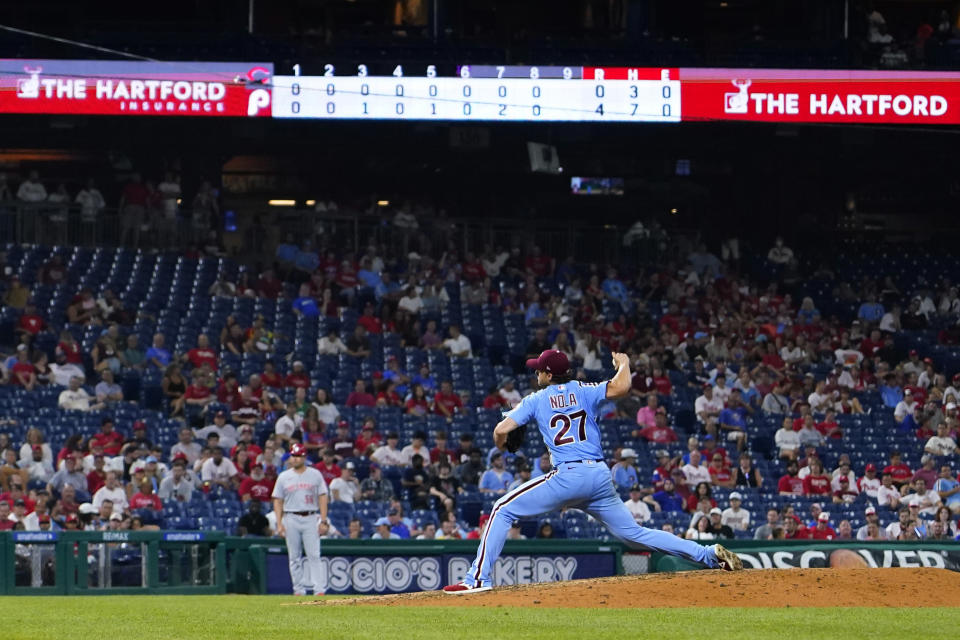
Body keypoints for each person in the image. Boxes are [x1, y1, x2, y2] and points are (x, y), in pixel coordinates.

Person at [442, 350, 741, 594]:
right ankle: (708, 555)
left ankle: (478, 579)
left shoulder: (535, 399)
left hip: (568, 477)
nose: (536, 374)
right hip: (599, 477)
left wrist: (504, 444)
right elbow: (621, 387)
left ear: (548, 374)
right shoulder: (584, 390)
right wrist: (624, 363)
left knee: (501, 508)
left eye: (539, 370)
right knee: (635, 534)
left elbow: (500, 430)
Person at [271, 442, 330, 596]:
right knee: (294, 556)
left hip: (310, 516)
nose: (296, 459)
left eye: (299, 456)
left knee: (314, 555)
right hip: (290, 516)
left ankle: (319, 590)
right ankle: (298, 589)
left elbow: (323, 496)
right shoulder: (283, 477)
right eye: (294, 456)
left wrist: (323, 520)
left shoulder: (315, 474)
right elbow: (277, 500)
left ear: (304, 457)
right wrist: (279, 523)